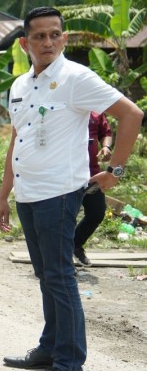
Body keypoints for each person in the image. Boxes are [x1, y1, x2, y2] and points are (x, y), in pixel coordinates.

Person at [0, 6, 143, 371]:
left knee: (60, 278)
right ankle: (49, 348)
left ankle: (70, 366)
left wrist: (117, 170)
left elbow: (132, 114)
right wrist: (4, 195)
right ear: (25, 43)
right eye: (39, 36)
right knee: (46, 276)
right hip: (28, 193)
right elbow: (17, 139)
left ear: (63, 38)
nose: (48, 41)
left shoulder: (77, 78)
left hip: (59, 193)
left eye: (55, 34)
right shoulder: (21, 85)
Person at [73, 113, 114, 265]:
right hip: (67, 174)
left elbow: (106, 133)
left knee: (96, 213)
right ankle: (59, 258)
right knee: (66, 215)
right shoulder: (64, 105)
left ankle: (75, 244)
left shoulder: (96, 111)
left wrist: (105, 146)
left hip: (92, 174)